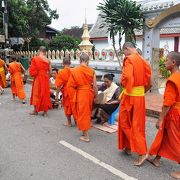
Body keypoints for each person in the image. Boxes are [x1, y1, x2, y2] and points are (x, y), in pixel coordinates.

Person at [118, 42, 152, 166]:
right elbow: (150, 82)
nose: (124, 55)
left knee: (124, 121)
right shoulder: (144, 60)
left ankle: (142, 153)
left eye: (123, 52)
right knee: (137, 124)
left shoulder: (129, 59)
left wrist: (125, 86)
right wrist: (141, 91)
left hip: (130, 96)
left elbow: (127, 77)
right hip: (140, 96)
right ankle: (128, 146)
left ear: (126, 49)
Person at [148, 51, 180, 179]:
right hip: (177, 111)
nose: (164, 62)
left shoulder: (172, 80)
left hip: (174, 114)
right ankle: (157, 159)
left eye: (166, 60)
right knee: (165, 135)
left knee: (175, 141)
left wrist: (160, 119)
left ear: (173, 63)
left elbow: (168, 103)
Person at [67, 52, 98, 142]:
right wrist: (96, 96)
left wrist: (74, 96)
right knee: (86, 112)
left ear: (80, 60)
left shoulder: (74, 70)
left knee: (83, 113)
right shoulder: (92, 71)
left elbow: (70, 85)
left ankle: (86, 136)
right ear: (87, 61)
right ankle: (85, 131)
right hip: (89, 93)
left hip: (81, 93)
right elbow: (95, 86)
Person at [29, 46, 52, 116]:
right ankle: (45, 112)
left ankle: (35, 111)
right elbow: (50, 71)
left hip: (38, 78)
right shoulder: (48, 60)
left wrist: (35, 73)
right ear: (45, 52)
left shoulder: (35, 59)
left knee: (36, 93)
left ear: (39, 51)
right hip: (45, 78)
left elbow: (32, 72)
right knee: (45, 93)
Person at [55, 56, 73, 126]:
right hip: (74, 91)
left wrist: (56, 95)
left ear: (62, 63)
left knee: (67, 106)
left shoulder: (61, 72)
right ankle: (77, 121)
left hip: (66, 91)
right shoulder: (74, 71)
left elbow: (59, 85)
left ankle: (69, 122)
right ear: (70, 63)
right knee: (73, 105)